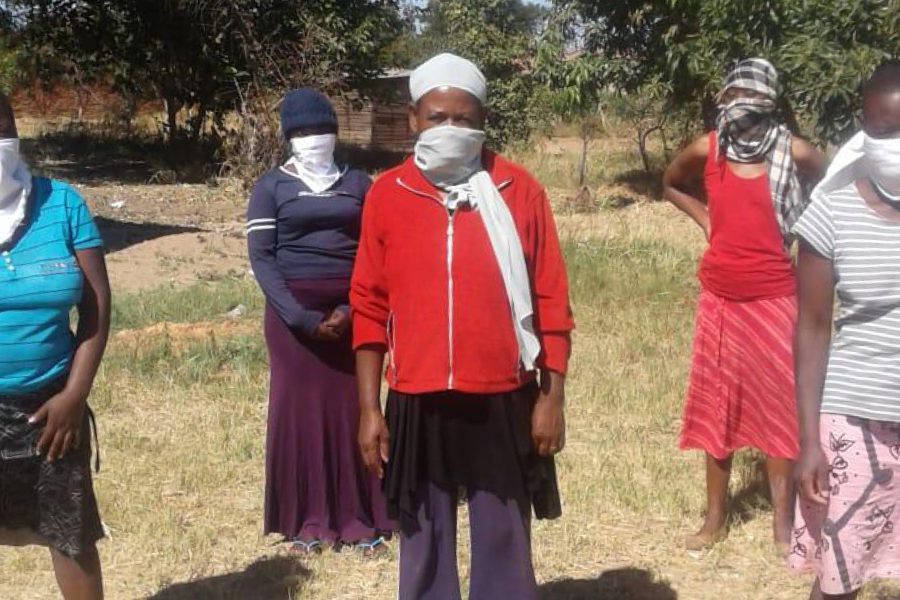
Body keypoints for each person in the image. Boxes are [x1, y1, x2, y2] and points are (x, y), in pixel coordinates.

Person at [351, 53, 574, 600]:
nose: (450, 128)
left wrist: (551, 396)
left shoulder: (517, 191)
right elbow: (368, 306)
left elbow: (551, 301)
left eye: (463, 118)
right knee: (423, 530)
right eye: (436, 117)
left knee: (502, 531)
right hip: (416, 392)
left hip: (501, 390)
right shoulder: (387, 194)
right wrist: (368, 408)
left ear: (482, 118)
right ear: (412, 119)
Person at [662, 58, 827, 551]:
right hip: (720, 299)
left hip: (777, 296)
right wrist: (706, 219)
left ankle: (783, 522)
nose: (739, 106)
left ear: (771, 102)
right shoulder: (707, 149)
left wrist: (807, 228)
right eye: (732, 95)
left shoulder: (795, 152)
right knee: (718, 409)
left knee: (779, 411)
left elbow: (833, 187)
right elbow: (670, 183)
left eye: (750, 97)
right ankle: (715, 519)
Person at [246, 88, 392, 555]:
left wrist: (351, 311)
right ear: (290, 137)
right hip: (294, 327)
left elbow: (374, 252)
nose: (314, 138)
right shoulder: (271, 188)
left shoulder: (360, 184)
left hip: (354, 316)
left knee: (355, 411)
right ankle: (305, 521)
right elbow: (262, 259)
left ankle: (361, 518)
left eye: (321, 130)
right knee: (299, 415)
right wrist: (304, 320)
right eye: (303, 132)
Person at [788, 60, 900, 600]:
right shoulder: (830, 212)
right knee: (839, 574)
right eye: (883, 130)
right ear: (863, 125)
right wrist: (808, 439)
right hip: (855, 422)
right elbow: (811, 330)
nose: (895, 144)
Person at [0, 92, 109, 599]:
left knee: (70, 535)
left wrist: (74, 395)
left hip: (53, 408)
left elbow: (96, 308)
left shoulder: (63, 204)